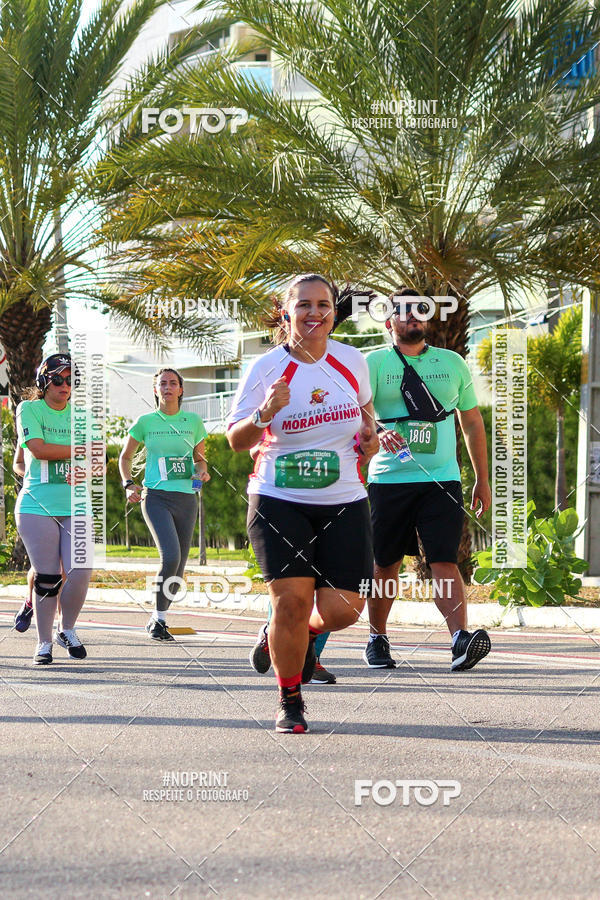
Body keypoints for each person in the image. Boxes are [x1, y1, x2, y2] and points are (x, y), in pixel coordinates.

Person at [227, 273, 379, 733]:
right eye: (304, 305)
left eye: (323, 305)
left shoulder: (352, 360)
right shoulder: (266, 368)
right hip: (279, 498)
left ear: (334, 311)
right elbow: (236, 440)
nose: (315, 313)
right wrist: (265, 414)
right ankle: (290, 699)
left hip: (344, 499)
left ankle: (294, 634)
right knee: (291, 602)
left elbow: (366, 415)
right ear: (286, 312)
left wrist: (370, 440)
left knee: (345, 610)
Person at [364, 287, 492, 671]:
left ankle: (459, 640)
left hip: (442, 480)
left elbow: (472, 422)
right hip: (388, 480)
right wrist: (378, 430)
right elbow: (355, 412)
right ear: (389, 322)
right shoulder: (373, 363)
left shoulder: (452, 363)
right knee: (385, 564)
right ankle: (377, 638)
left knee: (444, 560)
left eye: (419, 310)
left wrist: (482, 479)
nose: (412, 316)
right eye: (402, 311)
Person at [119, 368, 210, 641]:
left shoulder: (193, 421)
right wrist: (128, 484)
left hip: (187, 499)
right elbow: (125, 457)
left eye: (173, 383)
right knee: (170, 557)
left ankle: (158, 618)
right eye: (162, 384)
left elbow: (200, 459)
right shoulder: (146, 422)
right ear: (156, 390)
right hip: (156, 497)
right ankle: (158, 620)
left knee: (179, 567)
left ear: (181, 389)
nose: (168, 387)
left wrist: (201, 472)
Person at [15, 354, 92, 665]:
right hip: (37, 505)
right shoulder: (29, 409)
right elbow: (38, 449)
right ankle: (43, 642)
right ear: (44, 381)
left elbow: (96, 462)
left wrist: (86, 468)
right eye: (58, 378)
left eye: (71, 380)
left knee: (80, 572)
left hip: (77, 505)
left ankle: (67, 629)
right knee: (47, 576)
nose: (64, 385)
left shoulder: (82, 416)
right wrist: (80, 451)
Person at [12, 445, 65, 633]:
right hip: (39, 503)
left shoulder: (81, 431)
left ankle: (63, 627)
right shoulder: (32, 432)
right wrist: (34, 475)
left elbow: (99, 463)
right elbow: (18, 463)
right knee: (45, 566)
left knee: (67, 567)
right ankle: (30, 601)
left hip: (71, 504)